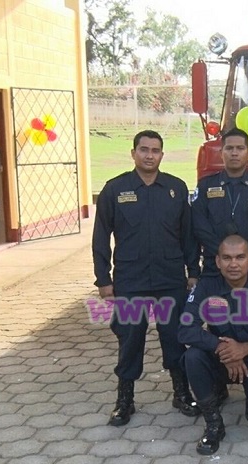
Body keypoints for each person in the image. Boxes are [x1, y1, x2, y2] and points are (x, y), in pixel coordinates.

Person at [92, 130, 199, 427]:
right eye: (144, 149)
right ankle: (124, 400)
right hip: (131, 280)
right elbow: (101, 237)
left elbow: (188, 237)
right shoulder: (115, 190)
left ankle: (181, 393)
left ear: (162, 155)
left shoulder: (175, 189)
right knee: (130, 338)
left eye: (155, 150)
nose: (149, 155)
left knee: (175, 337)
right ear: (133, 153)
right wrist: (103, 279)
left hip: (170, 279)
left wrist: (194, 273)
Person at [179, 235, 248, 456]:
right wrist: (223, 349)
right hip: (221, 359)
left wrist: (246, 348)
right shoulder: (206, 286)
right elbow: (185, 329)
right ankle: (213, 423)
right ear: (218, 261)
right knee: (193, 357)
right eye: (227, 258)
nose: (233, 264)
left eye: (240, 257)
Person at [192, 127, 248, 277]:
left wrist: (247, 252)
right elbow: (199, 225)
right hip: (215, 267)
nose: (234, 153)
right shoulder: (205, 185)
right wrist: (223, 253)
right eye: (229, 148)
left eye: (240, 148)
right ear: (221, 153)